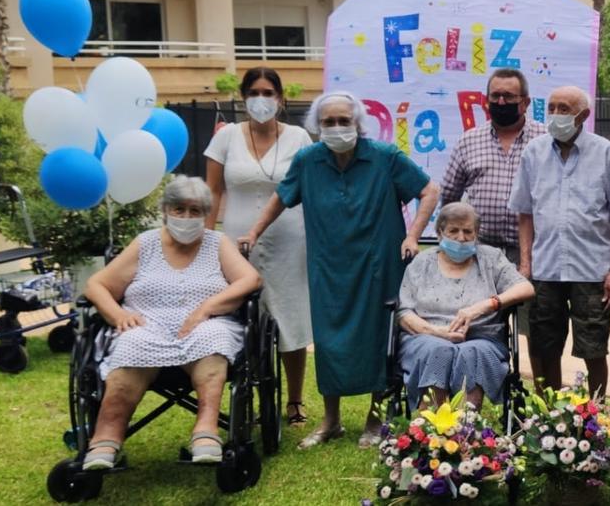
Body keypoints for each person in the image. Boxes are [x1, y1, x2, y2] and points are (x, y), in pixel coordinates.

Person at [238, 90, 440, 450]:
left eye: (343, 121)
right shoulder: (308, 160)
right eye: (328, 122)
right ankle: (331, 420)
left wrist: (412, 235)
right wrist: (253, 233)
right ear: (317, 126)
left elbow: (429, 190)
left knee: (381, 339)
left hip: (379, 264)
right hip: (328, 265)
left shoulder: (384, 157)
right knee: (330, 340)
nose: (336, 127)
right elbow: (281, 197)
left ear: (358, 124)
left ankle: (376, 420)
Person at [80, 176, 263, 470]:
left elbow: (250, 279)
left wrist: (207, 308)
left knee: (212, 338)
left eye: (195, 211)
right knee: (131, 342)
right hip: (147, 326)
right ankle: (106, 438)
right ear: (165, 210)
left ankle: (206, 430)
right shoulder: (146, 244)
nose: (187, 217)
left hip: (205, 326)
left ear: (206, 214)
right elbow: (95, 285)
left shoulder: (217, 243)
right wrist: (118, 316)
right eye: (179, 210)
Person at [204, 66, 314, 428]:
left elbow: (312, 191)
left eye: (269, 93)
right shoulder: (226, 137)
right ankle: (245, 394)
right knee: (241, 317)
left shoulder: (299, 137)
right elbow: (213, 193)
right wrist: (206, 243)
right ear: (243, 97)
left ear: (281, 100)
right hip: (237, 242)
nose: (262, 100)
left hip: (290, 241)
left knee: (291, 318)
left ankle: (295, 401)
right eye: (255, 93)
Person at [508, 85, 610, 397]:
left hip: (592, 270)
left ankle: (597, 416)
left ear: (584, 115)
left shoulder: (604, 152)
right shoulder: (533, 152)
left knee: (593, 347)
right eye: (552, 107)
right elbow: (524, 213)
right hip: (545, 269)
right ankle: (547, 415)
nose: (556, 115)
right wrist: (525, 263)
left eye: (564, 109)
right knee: (543, 345)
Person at [395, 203, 535, 410]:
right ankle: (431, 430)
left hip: (482, 337)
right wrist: (439, 332)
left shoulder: (490, 258)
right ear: (439, 233)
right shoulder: (421, 263)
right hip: (426, 336)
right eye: (453, 231)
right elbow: (404, 313)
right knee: (438, 350)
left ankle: (465, 430)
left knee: (472, 353)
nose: (461, 238)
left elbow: (526, 288)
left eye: (468, 231)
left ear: (477, 234)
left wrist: (485, 305)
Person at [440, 68, 547, 265]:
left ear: (525, 103)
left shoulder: (545, 140)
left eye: (508, 96)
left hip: (533, 252)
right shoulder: (469, 140)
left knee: (528, 297)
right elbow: (449, 196)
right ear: (486, 101)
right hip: (479, 251)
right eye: (495, 96)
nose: (501, 102)